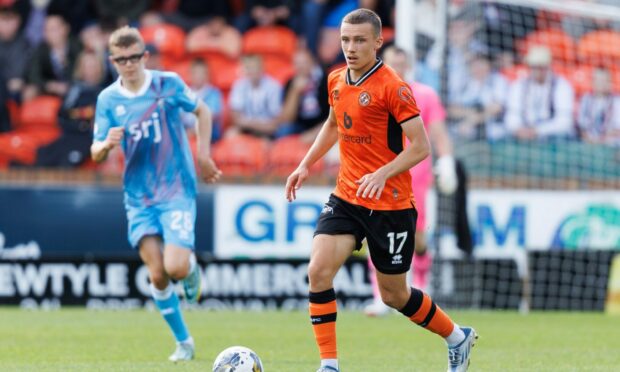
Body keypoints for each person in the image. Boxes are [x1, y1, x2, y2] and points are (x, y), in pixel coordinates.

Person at [285, 9, 476, 372]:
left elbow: (421, 147)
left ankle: (456, 337)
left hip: (390, 204)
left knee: (394, 295)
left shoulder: (393, 87)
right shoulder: (336, 79)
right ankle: (328, 364)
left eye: (359, 40)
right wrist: (305, 164)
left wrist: (383, 174)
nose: (350, 48)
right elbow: (332, 124)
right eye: (345, 40)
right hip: (347, 196)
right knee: (319, 270)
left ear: (377, 42)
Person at [90, 26, 221, 362]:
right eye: (122, 59)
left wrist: (204, 155)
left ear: (145, 56)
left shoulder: (167, 84)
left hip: (175, 186)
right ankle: (184, 343)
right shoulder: (108, 99)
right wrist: (106, 145)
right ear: (113, 61)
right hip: (138, 195)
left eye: (135, 57)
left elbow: (202, 111)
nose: (129, 64)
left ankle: (189, 267)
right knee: (157, 273)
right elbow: (95, 152)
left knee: (174, 267)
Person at [363, 45, 458, 316]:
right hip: (381, 175)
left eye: (402, 64)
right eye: (393, 64)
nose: (397, 69)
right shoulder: (371, 94)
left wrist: (447, 160)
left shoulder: (425, 95)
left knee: (417, 235)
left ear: (409, 66)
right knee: (376, 233)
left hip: (416, 176)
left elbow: (438, 133)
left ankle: (420, 284)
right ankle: (380, 295)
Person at [504, 45, 574, 141]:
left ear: (548, 67)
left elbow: (564, 121)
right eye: (534, 67)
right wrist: (518, 129)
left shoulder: (561, 85)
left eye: (541, 67)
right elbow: (512, 115)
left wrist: (538, 130)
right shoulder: (519, 85)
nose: (537, 71)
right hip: (523, 134)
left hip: (551, 137)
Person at [577, 67, 620, 146]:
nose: (601, 84)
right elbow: (581, 127)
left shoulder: (617, 101)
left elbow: (617, 130)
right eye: (598, 80)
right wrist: (589, 139)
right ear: (592, 82)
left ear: (610, 83)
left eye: (604, 80)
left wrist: (601, 140)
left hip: (611, 145)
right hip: (588, 144)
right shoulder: (586, 99)